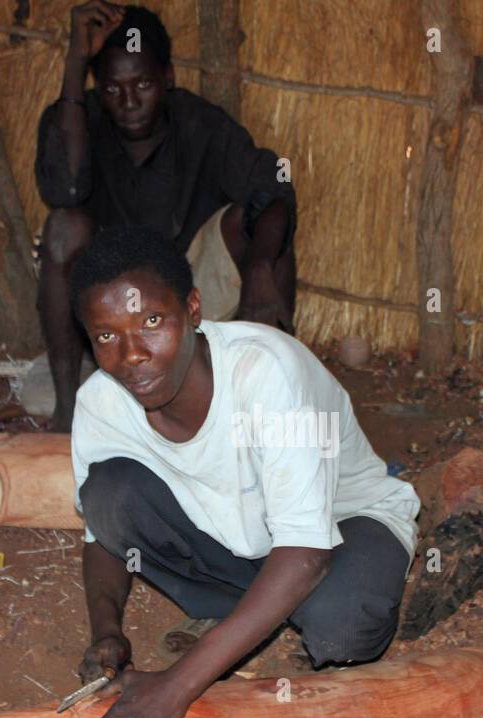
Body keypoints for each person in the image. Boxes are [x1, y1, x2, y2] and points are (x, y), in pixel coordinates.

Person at [66, 226, 421, 718]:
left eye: (152, 321)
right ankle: (254, 614)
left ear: (193, 309)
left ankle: (269, 615)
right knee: (109, 489)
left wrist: (175, 688)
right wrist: (106, 633)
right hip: (238, 549)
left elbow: (306, 551)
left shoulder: (266, 373)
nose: (132, 355)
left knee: (343, 626)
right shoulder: (100, 404)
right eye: (107, 335)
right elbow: (100, 536)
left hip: (341, 528)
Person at [35, 1, 298, 432]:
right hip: (116, 305)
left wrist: (260, 266)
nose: (129, 102)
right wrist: (75, 62)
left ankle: (270, 400)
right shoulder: (78, 120)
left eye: (143, 84)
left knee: (266, 225)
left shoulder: (200, 124)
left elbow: (274, 189)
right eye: (112, 89)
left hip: (192, 297)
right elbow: (63, 191)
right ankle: (67, 410)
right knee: (64, 227)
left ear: (168, 78)